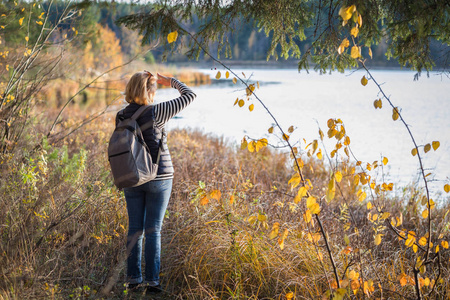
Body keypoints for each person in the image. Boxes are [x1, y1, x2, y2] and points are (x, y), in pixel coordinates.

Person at [116, 71, 196, 293]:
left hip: (131, 177)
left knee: (135, 229)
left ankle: (133, 280)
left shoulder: (121, 115)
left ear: (131, 88)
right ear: (150, 90)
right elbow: (190, 95)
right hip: (159, 176)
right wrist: (171, 82)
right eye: (155, 88)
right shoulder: (158, 111)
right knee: (154, 230)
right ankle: (152, 283)